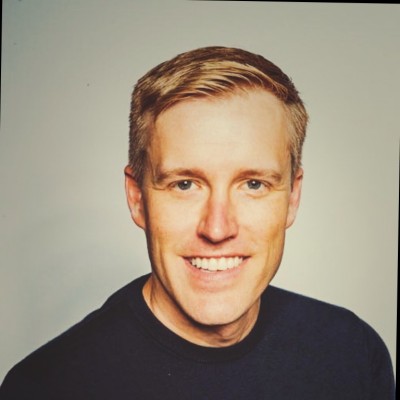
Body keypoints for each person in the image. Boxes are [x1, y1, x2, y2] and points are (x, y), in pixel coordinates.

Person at [0, 46, 395, 399]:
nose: (217, 228)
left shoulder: (353, 352)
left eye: (253, 184)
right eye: (185, 184)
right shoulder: (45, 387)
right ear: (137, 198)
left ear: (292, 197)